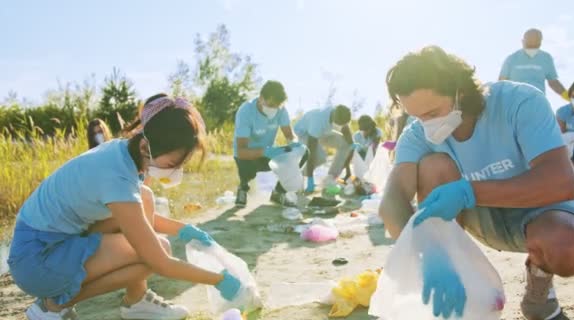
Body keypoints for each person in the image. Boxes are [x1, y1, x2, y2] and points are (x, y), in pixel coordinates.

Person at [380, 46, 574, 319]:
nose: (426, 123)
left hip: (542, 207)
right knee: (433, 165)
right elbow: (392, 200)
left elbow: (560, 182)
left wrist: (469, 191)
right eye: (417, 116)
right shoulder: (417, 136)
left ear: (460, 90)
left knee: (567, 247)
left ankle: (539, 286)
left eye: (433, 112)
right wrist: (428, 256)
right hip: (479, 218)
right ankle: (455, 275)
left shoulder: (519, 101)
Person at [8, 94, 242, 320]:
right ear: (145, 147)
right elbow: (160, 262)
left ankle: (137, 299)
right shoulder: (116, 177)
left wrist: (184, 229)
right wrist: (218, 280)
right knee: (153, 254)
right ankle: (53, 305)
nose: (175, 171)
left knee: (146, 198)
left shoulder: (122, 152)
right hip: (37, 259)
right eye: (172, 164)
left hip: (50, 241)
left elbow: (135, 216)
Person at [233, 80, 303, 208]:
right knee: (247, 171)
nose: (274, 109)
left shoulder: (281, 110)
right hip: (247, 156)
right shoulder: (246, 111)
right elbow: (241, 151)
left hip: (269, 154)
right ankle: (243, 187)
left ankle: (278, 192)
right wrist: (263, 151)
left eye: (277, 106)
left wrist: (294, 143)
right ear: (261, 98)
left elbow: (289, 134)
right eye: (271, 105)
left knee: (303, 154)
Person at [294, 104, 355, 193]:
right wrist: (311, 179)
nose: (340, 126)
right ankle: (301, 177)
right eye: (339, 123)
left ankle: (331, 177)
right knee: (320, 158)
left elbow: (345, 130)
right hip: (305, 133)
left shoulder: (339, 113)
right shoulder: (318, 121)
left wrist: (352, 145)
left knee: (346, 144)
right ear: (335, 118)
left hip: (324, 131)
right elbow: (311, 152)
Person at [499, 28, 569, 100]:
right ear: (523, 41)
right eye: (529, 42)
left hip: (538, 101)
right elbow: (501, 82)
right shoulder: (511, 58)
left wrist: (568, 97)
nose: (532, 45)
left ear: (540, 42)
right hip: (514, 101)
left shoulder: (546, 58)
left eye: (535, 42)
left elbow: (553, 82)